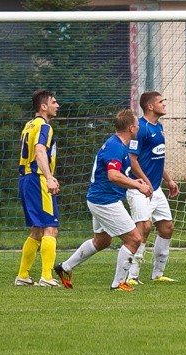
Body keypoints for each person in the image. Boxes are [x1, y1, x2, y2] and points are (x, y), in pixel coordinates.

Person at [54, 109, 152, 291]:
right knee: (134, 240)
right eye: (137, 125)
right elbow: (113, 175)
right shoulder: (116, 146)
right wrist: (138, 186)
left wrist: (133, 181)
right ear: (131, 128)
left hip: (99, 198)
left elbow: (117, 175)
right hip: (105, 201)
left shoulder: (117, 144)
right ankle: (118, 283)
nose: (138, 127)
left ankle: (64, 267)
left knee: (102, 241)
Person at [125, 91, 179, 285]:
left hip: (154, 189)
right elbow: (132, 159)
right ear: (150, 106)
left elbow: (158, 157)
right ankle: (131, 275)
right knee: (143, 228)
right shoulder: (141, 128)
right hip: (139, 188)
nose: (164, 104)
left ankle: (157, 274)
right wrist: (146, 182)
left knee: (167, 227)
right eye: (160, 102)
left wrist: (169, 180)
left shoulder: (159, 127)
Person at [15, 90, 61, 287]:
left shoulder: (29, 125)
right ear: (44, 106)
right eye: (54, 102)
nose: (57, 105)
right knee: (50, 228)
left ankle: (23, 275)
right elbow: (40, 151)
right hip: (38, 180)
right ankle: (46, 277)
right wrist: (49, 177)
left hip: (26, 179)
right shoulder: (44, 126)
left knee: (37, 229)